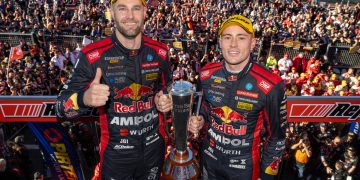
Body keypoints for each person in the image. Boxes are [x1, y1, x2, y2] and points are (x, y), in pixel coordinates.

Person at [55, 0, 172, 179]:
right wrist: (84, 99)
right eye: (122, 8)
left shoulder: (161, 52)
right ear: (112, 12)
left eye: (136, 8)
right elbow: (60, 109)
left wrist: (166, 99)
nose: (130, 16)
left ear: (145, 12)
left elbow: (167, 89)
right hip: (116, 158)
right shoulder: (93, 55)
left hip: (154, 152)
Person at [188, 15, 287, 180]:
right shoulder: (206, 73)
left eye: (241, 38)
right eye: (227, 37)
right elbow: (203, 110)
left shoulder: (271, 85)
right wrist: (199, 120)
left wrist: (267, 177)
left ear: (253, 43)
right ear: (220, 42)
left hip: (244, 171)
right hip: (209, 163)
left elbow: (276, 139)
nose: (233, 44)